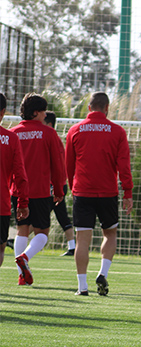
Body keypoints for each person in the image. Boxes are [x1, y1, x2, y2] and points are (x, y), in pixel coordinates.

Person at [65, 92, 133, 296]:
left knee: (82, 239)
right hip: (108, 192)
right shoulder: (117, 131)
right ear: (107, 108)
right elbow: (124, 166)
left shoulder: (75, 130)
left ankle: (82, 287)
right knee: (110, 233)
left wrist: (71, 186)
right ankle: (102, 273)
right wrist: (127, 192)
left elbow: (69, 164)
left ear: (89, 108)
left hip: (82, 191)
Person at [10, 93, 66, 286]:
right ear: (36, 113)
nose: (45, 116)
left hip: (17, 191)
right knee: (42, 233)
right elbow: (59, 165)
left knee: (22, 230)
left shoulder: (13, 133)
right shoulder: (49, 133)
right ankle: (24, 258)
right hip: (41, 190)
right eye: (43, 112)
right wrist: (59, 190)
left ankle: (21, 276)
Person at [0, 92, 29, 268]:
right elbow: (20, 175)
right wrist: (23, 202)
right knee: (0, 247)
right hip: (1, 204)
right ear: (3, 111)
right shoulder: (10, 139)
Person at [43, 111, 77, 256]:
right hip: (58, 184)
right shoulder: (54, 140)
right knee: (62, 216)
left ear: (49, 124)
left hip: (54, 184)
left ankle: (15, 239)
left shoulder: (52, 140)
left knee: (40, 215)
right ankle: (72, 246)